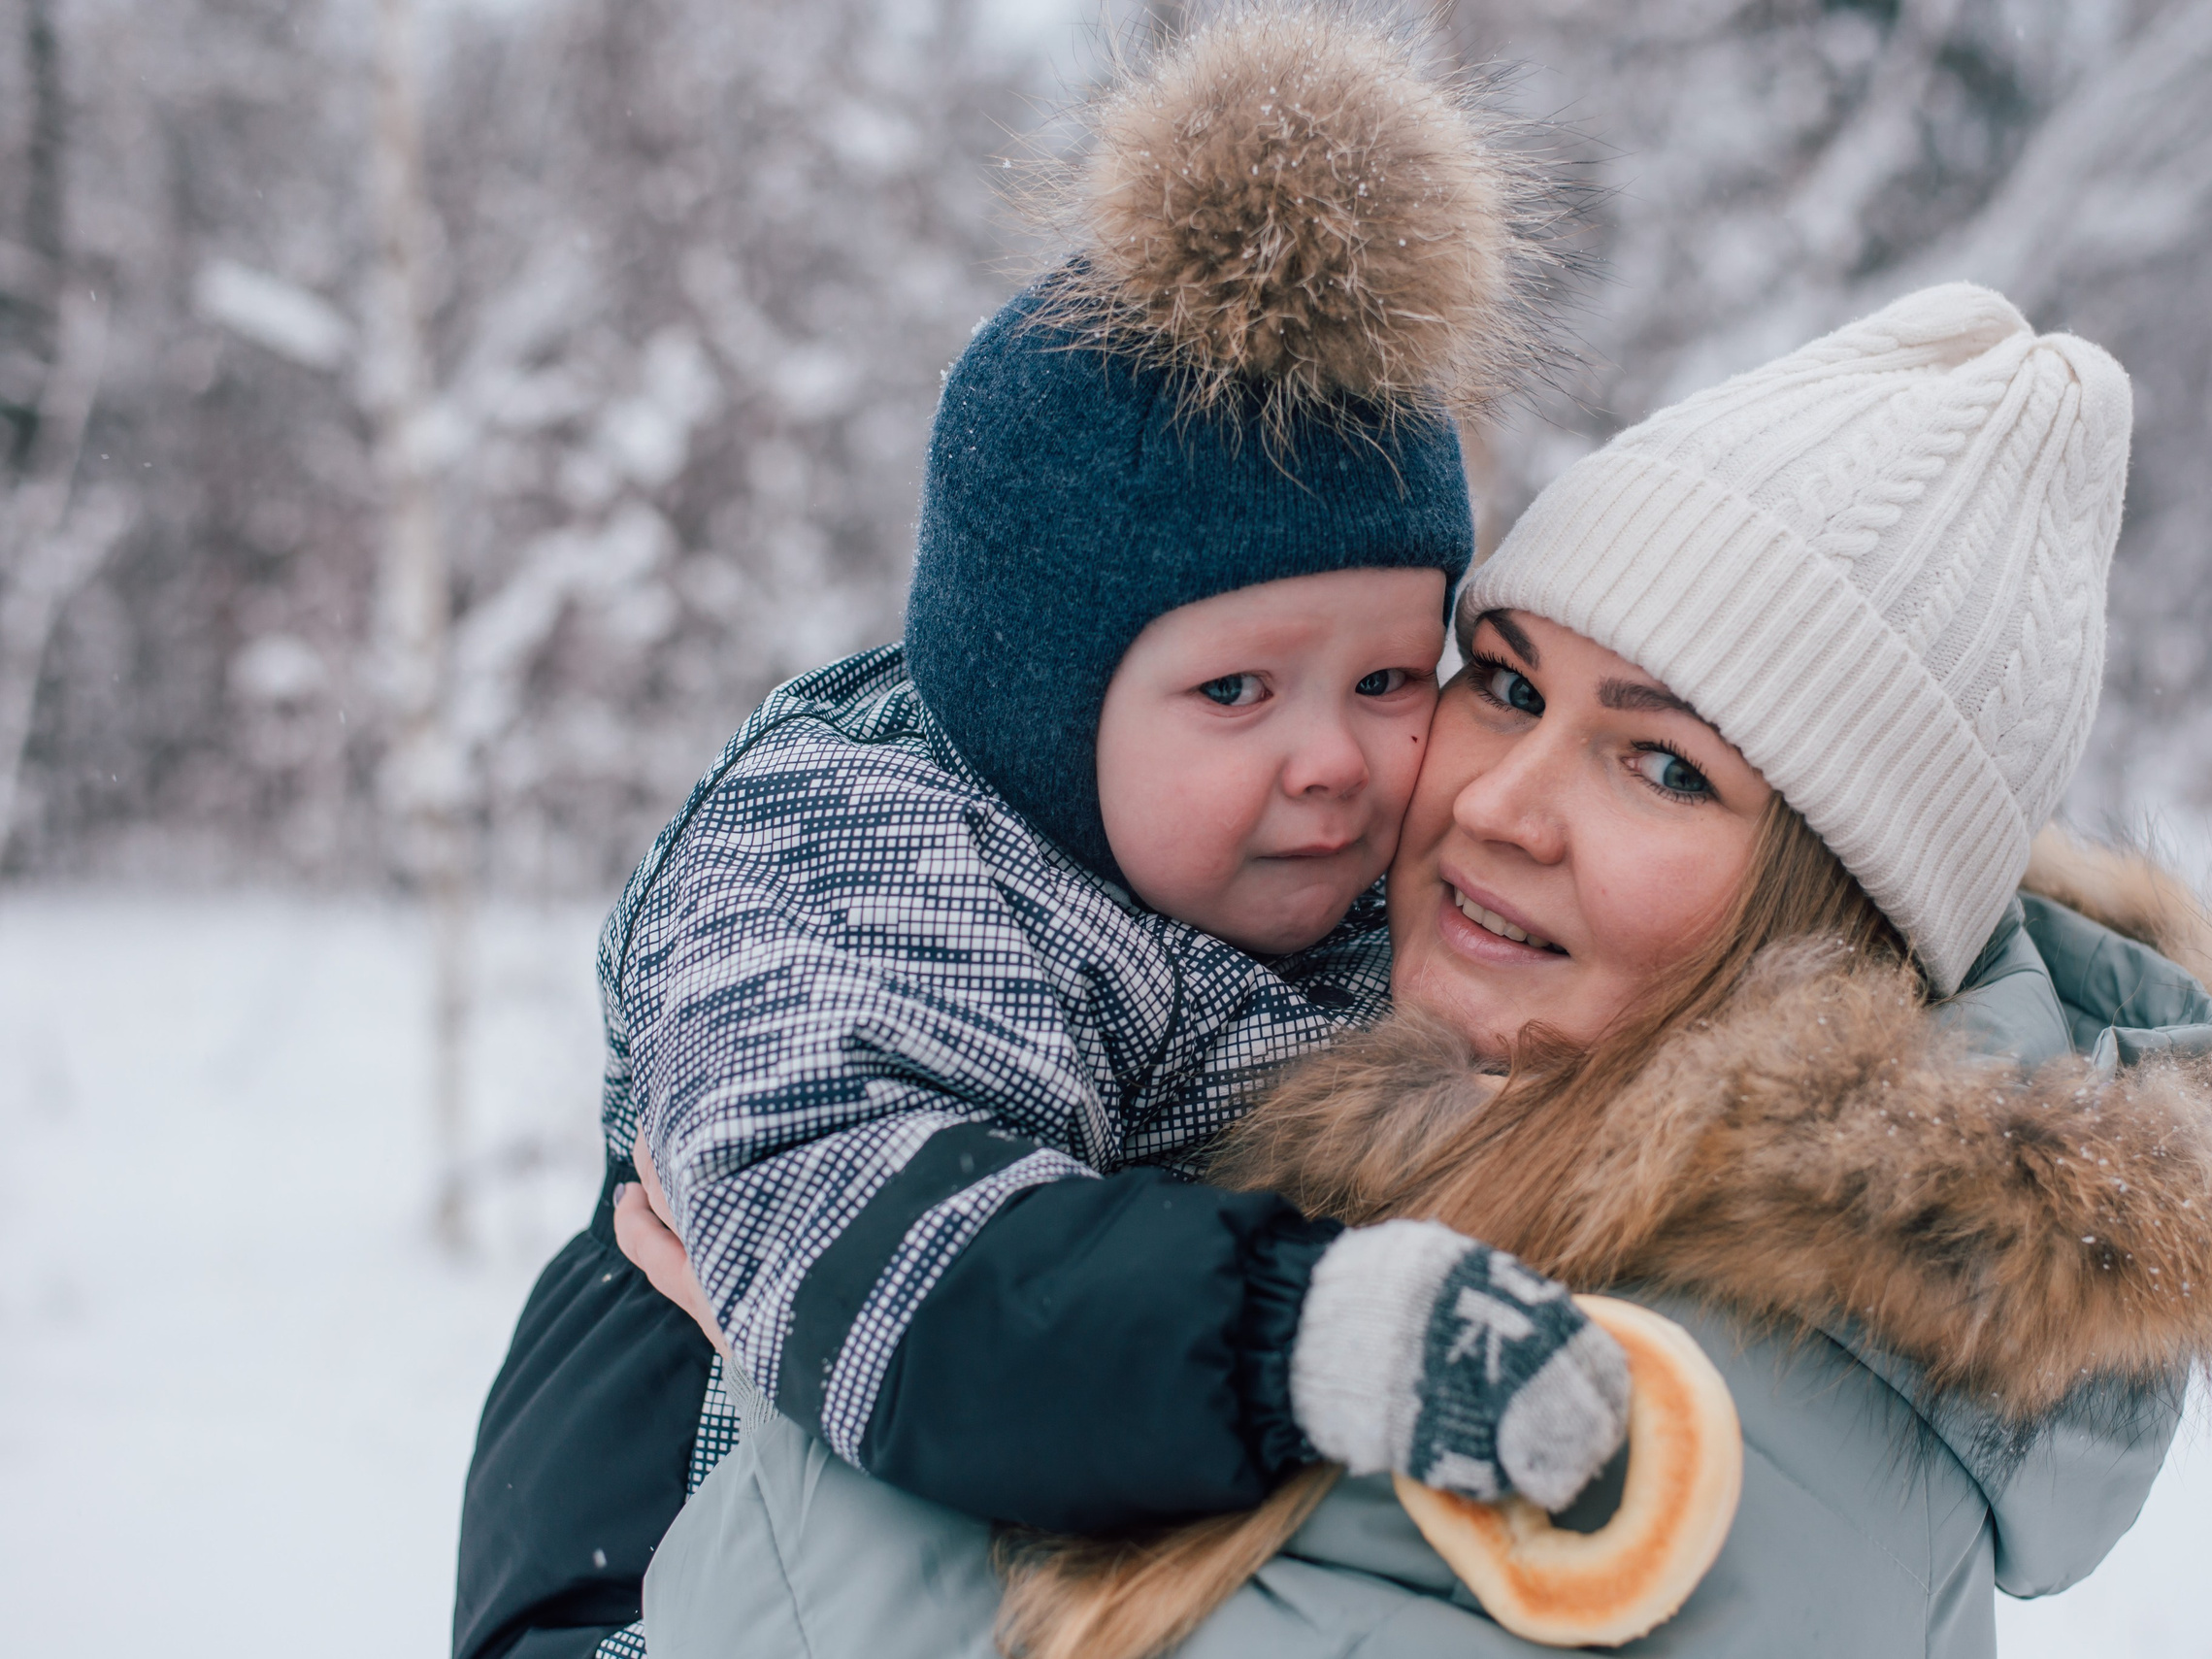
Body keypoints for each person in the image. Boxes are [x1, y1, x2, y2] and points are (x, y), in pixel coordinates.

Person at [629, 282, 2212, 1658]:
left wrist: (774, 1367)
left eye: (1665, 764)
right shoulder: (1459, 1125)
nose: (1493, 802)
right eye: (1506, 681)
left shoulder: (1702, 1421)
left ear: (1835, 912)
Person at [451, 12, 1613, 1656]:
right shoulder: (863, 871)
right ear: (1041, 699)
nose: (1334, 763)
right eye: (1234, 689)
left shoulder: (1318, 905)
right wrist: (1303, 1332)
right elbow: (907, 1261)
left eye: (1382, 674)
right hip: (647, 1576)